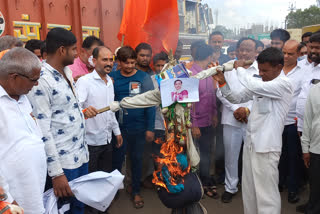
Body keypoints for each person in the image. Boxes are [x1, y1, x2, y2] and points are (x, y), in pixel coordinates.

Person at [213, 47, 293, 214]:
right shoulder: (261, 83)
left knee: (266, 196)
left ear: (278, 67)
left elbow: (249, 82)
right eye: (260, 69)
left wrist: (239, 67)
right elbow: (236, 97)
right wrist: (222, 82)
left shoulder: (283, 84)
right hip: (251, 145)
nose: (261, 73)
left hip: (267, 148)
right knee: (249, 192)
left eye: (265, 70)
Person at [27, 28, 97, 214]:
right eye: (74, 49)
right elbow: (43, 130)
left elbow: (64, 112)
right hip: (63, 164)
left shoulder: (66, 71)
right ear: (61, 50)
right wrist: (57, 173)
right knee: (64, 210)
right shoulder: (41, 80)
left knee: (79, 205)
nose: (76, 53)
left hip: (81, 156)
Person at [76, 46, 123, 214]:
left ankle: (102, 210)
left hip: (106, 139)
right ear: (94, 61)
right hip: (90, 142)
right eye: (104, 59)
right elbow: (75, 108)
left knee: (104, 179)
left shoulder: (110, 82)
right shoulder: (85, 81)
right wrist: (84, 111)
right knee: (90, 182)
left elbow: (110, 110)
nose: (109, 63)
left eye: (111, 59)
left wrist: (116, 131)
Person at [0, 47, 47, 214]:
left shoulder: (22, 97)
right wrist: (6, 200)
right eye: (34, 79)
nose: (36, 84)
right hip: (13, 200)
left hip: (33, 191)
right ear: (14, 78)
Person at [110, 46, 155, 209]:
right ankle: (113, 191)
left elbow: (150, 103)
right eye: (126, 63)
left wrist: (150, 128)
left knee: (137, 160)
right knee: (116, 161)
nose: (130, 66)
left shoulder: (144, 78)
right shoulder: (111, 77)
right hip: (118, 129)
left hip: (139, 128)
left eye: (132, 62)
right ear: (119, 63)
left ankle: (136, 191)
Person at [217, 37, 259, 203]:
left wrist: (248, 110)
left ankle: (252, 188)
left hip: (253, 120)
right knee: (231, 156)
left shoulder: (261, 69)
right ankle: (230, 187)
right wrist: (236, 109)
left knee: (253, 157)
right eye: (241, 49)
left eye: (248, 49)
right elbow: (220, 91)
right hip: (231, 119)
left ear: (256, 52)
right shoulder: (228, 68)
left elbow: (262, 94)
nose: (244, 52)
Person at [189, 43, 218, 199]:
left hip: (208, 121)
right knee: (193, 156)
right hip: (196, 124)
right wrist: (194, 124)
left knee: (206, 154)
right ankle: (194, 186)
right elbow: (189, 102)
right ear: (208, 56)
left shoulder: (208, 72)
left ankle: (205, 181)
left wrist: (214, 114)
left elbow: (212, 95)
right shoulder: (191, 74)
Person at [278, 40, 305, 204]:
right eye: (284, 52)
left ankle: (293, 188)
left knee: (294, 157)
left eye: (290, 54)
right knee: (277, 155)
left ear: (299, 54)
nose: (286, 56)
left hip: (293, 122)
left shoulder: (304, 72)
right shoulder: (275, 68)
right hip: (275, 121)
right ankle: (279, 183)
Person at [300, 81, 320, 214]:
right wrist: (305, 148)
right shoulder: (315, 89)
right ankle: (312, 204)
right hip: (316, 146)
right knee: (315, 180)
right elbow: (307, 120)